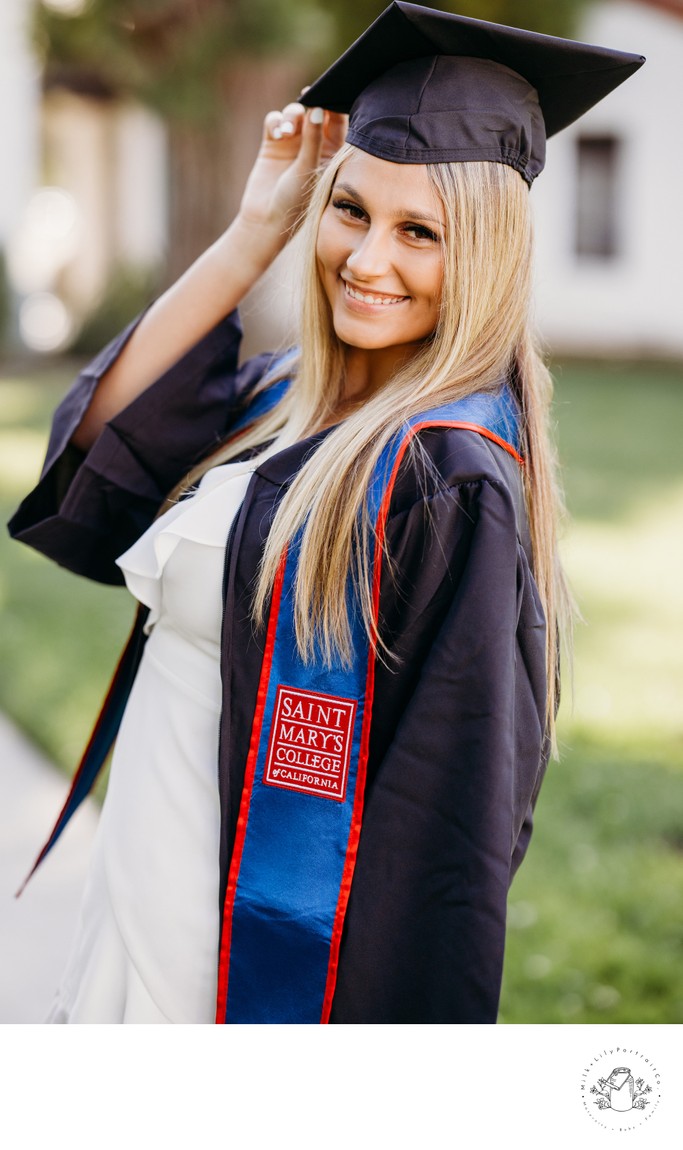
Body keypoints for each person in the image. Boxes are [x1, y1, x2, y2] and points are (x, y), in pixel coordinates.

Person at [8, 3, 644, 1024]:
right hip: (141, 890)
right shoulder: (286, 399)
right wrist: (259, 227)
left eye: (419, 232)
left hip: (237, 954)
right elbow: (97, 446)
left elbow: (443, 830)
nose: (365, 259)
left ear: (482, 255)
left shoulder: (448, 477)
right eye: (350, 211)